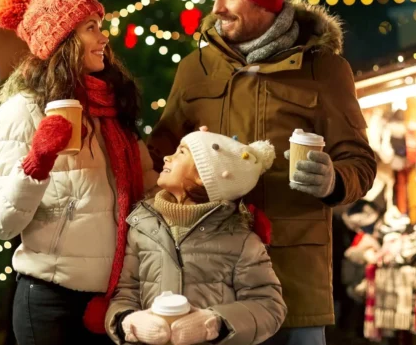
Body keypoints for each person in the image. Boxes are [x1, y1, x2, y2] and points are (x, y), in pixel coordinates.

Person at [148, 0, 377, 345]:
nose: (216, 8)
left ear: (264, 1)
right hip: (211, 278)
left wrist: (333, 180)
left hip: (293, 276)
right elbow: (158, 156)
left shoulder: (323, 69)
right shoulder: (194, 68)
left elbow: (359, 160)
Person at [0, 0, 157, 345]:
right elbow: (0, 223)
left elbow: (150, 190)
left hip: (116, 301)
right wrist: (38, 163)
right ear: (62, 40)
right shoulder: (24, 110)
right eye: (91, 27)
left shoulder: (114, 106)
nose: (103, 37)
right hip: (51, 302)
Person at [106, 128, 287, 345]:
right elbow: (126, 293)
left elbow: (268, 305)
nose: (167, 157)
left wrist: (214, 323)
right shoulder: (141, 227)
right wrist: (128, 322)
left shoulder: (241, 241)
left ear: (203, 176)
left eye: (181, 153)